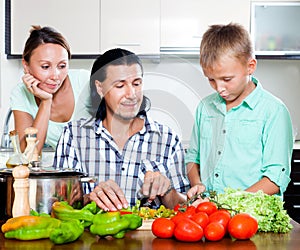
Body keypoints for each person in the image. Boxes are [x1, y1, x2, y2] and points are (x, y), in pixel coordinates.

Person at [53, 48, 190, 211]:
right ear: (100, 88)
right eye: (120, 85)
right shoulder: (74, 136)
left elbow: (186, 207)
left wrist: (167, 192)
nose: (131, 94)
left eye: (136, 84)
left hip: (149, 235)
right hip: (91, 236)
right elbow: (57, 204)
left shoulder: (167, 139)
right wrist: (88, 199)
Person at [186, 23, 294, 202]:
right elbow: (192, 157)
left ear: (250, 66)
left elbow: (276, 177)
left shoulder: (273, 111)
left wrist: (231, 203)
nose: (219, 88)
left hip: (253, 219)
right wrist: (197, 183)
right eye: (211, 80)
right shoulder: (205, 107)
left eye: (226, 79)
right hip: (210, 215)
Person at [10, 26, 91, 154]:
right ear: (26, 66)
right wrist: (46, 102)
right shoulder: (20, 93)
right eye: (45, 66)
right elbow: (28, 153)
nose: (55, 76)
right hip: (68, 169)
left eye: (62, 66)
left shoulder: (85, 81)